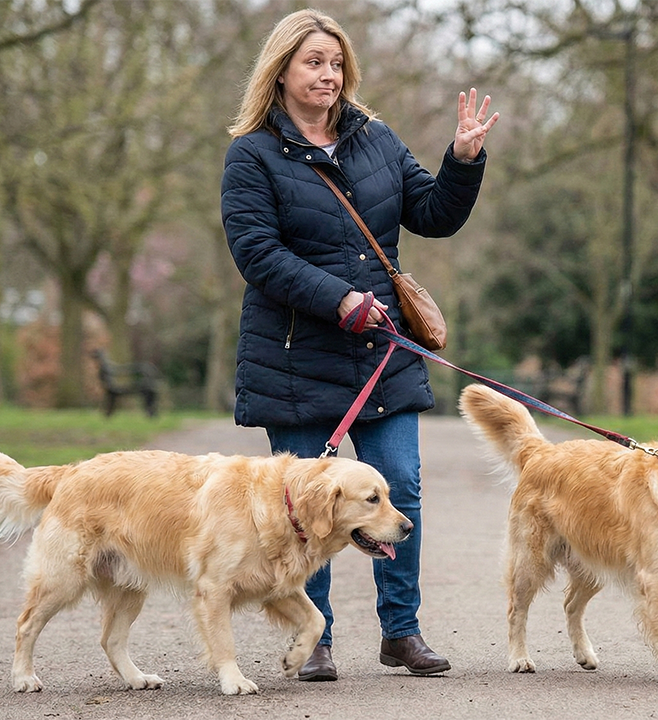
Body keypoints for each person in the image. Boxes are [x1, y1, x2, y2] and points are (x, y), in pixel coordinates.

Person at [220, 9, 498, 682]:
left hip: (381, 351)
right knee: (307, 506)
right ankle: (313, 636)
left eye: (336, 63)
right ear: (281, 70)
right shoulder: (252, 154)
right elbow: (257, 253)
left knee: (398, 486)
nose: (328, 74)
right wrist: (338, 299)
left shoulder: (375, 139)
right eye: (314, 62)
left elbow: (432, 215)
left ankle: (401, 632)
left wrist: (462, 161)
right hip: (294, 357)